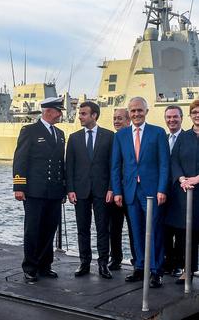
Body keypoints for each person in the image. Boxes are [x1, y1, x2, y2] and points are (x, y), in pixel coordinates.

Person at [111, 96, 169, 288]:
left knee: (154, 231)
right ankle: (140, 267)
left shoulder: (158, 133)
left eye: (139, 110)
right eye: (133, 111)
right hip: (130, 192)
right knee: (135, 231)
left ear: (146, 111)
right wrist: (117, 191)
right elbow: (116, 166)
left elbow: (164, 165)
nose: (136, 114)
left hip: (152, 192)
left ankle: (156, 270)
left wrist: (162, 189)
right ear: (129, 113)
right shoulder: (121, 135)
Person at [13, 96, 66, 284]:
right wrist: (19, 187)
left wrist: (64, 189)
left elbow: (61, 163)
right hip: (34, 191)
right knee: (33, 230)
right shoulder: (30, 131)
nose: (60, 115)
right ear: (48, 111)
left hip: (54, 191)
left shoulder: (60, 134)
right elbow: (20, 159)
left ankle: (45, 265)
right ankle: (30, 267)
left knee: (49, 229)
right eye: (59, 111)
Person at [66, 101, 114, 279]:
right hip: (80, 190)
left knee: (103, 229)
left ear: (94, 115)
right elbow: (69, 166)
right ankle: (84, 263)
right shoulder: (74, 137)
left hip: (102, 191)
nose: (80, 116)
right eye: (80, 113)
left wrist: (111, 188)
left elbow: (113, 166)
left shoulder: (109, 136)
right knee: (82, 228)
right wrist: (70, 189)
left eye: (84, 114)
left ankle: (103, 264)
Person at [165, 100, 199, 285]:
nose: (197, 115)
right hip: (185, 193)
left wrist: (197, 178)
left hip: (198, 188)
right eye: (194, 112)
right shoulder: (183, 137)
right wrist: (181, 179)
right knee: (188, 233)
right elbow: (174, 161)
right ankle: (188, 270)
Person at [108, 108, 135, 270]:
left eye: (120, 118)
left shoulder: (134, 138)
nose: (117, 121)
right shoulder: (111, 139)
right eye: (114, 118)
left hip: (132, 192)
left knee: (134, 228)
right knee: (114, 229)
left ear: (128, 120)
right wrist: (111, 189)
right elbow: (110, 168)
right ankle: (116, 258)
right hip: (114, 191)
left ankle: (137, 259)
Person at [163, 105, 184, 277]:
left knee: (181, 231)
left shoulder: (187, 138)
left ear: (181, 118)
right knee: (165, 230)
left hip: (182, 192)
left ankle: (179, 264)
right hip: (164, 191)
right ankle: (167, 262)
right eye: (169, 117)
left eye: (175, 117)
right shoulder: (163, 138)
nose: (172, 120)